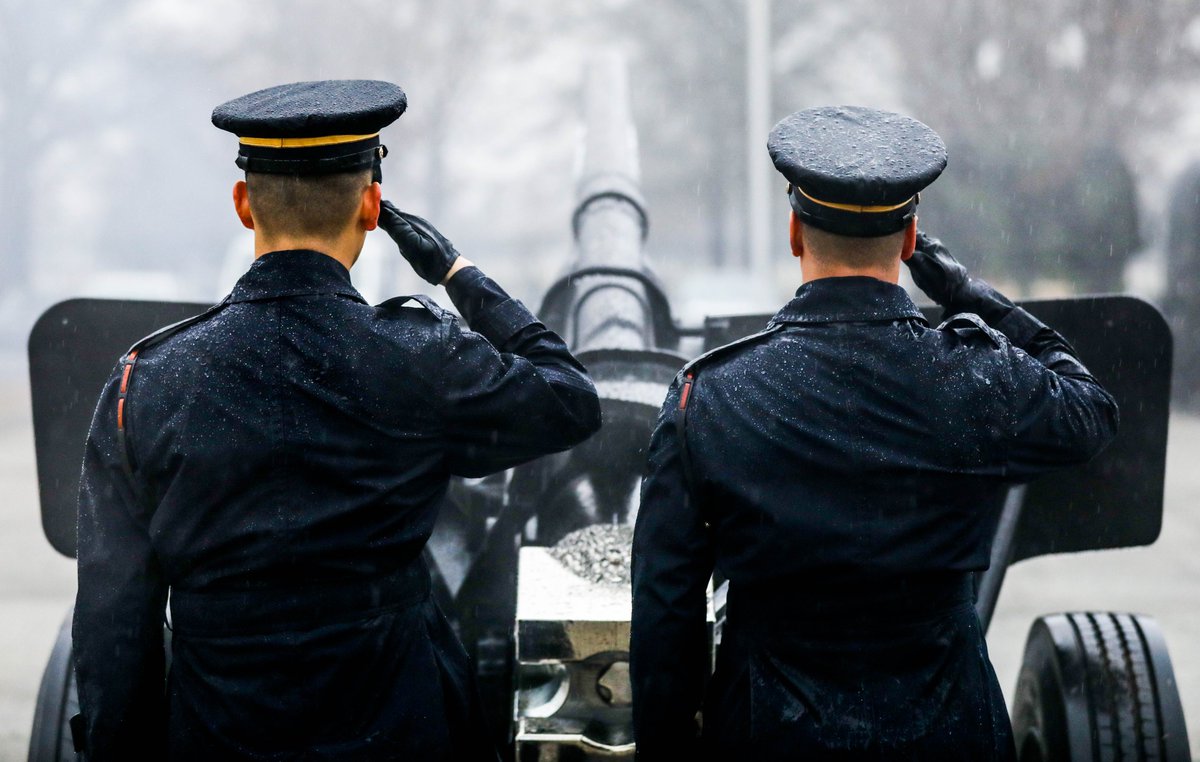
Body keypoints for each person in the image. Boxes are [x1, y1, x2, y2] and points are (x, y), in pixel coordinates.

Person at [72, 79, 602, 761]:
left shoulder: (145, 383)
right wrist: (458, 273)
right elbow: (570, 398)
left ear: (243, 204)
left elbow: (115, 624)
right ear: (372, 205)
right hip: (398, 732)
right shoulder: (419, 358)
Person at [629, 106, 1119, 760]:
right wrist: (970, 294)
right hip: (949, 734)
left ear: (794, 232)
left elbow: (665, 615)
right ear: (912, 239)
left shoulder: (708, 397)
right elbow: (1092, 410)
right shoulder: (978, 378)